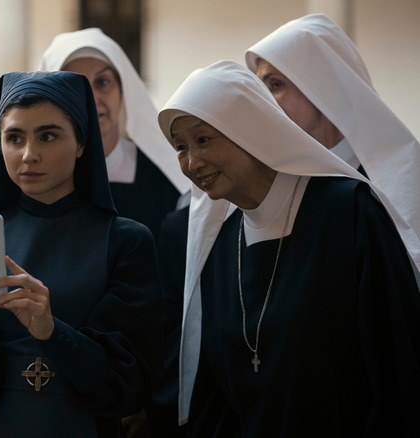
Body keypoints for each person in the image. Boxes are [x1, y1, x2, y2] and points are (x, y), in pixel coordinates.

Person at [158, 60, 420, 436]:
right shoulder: (218, 244)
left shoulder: (347, 212)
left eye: (203, 139)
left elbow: (397, 362)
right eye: (180, 147)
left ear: (249, 128)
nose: (192, 162)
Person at [0, 70, 162, 437]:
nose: (29, 155)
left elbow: (128, 383)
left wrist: (52, 330)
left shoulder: (125, 241)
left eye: (47, 136)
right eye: (14, 137)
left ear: (82, 142)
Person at [245, 13, 420, 243]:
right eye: (258, 88)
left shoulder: (403, 177)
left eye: (276, 85)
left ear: (321, 87)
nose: (264, 100)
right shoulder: (276, 181)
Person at [38, 27, 187, 240]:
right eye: (76, 85)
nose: (93, 98)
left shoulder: (166, 181)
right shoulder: (37, 179)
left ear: (122, 91)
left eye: (103, 82)